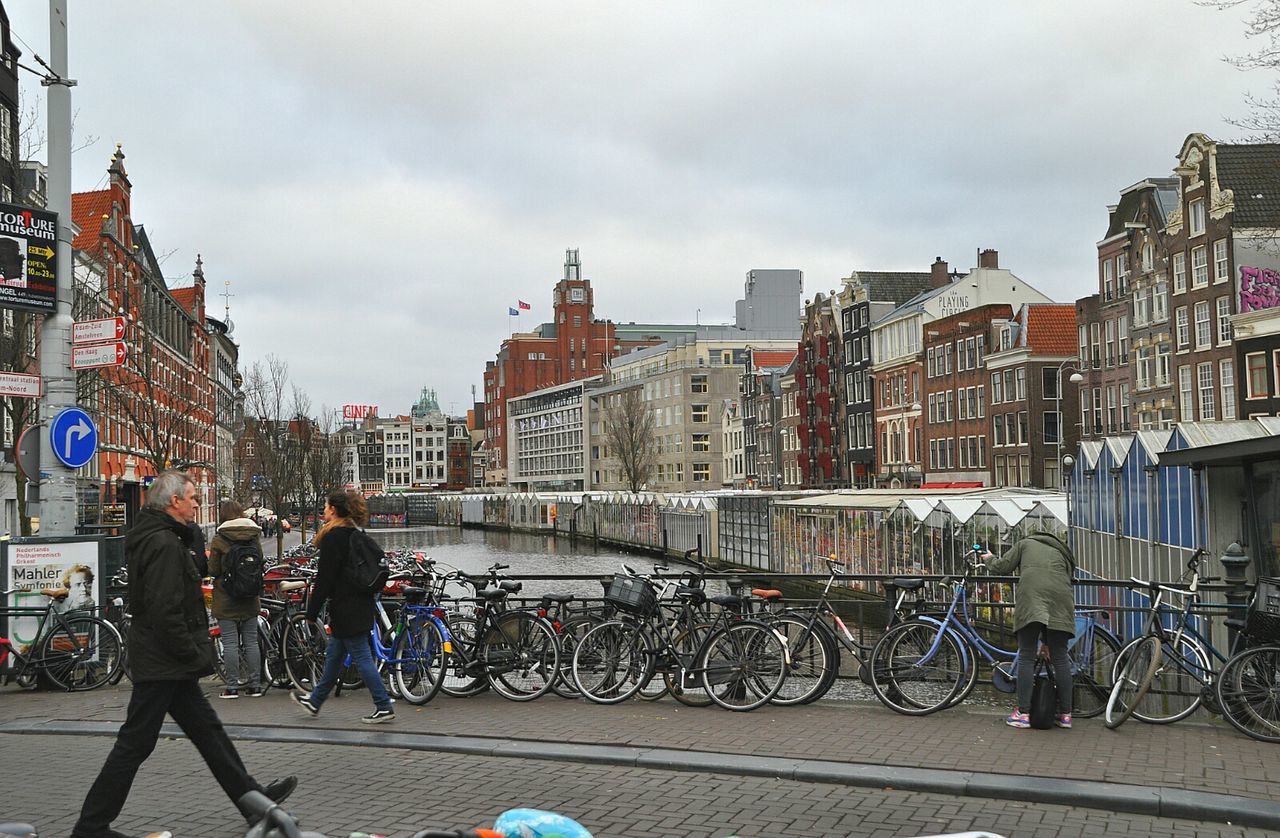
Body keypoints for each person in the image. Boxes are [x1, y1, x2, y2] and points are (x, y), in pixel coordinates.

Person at [70, 470, 297, 838]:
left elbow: (194, 571)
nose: (196, 502)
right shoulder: (161, 544)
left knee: (207, 732)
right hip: (164, 661)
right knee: (135, 744)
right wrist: (192, 655)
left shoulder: (164, 537)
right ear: (174, 501)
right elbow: (165, 609)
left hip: (165, 660)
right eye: (191, 497)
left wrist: (190, 536)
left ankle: (253, 800)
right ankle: (91, 826)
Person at [291, 489, 395, 724]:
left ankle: (383, 704)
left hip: (346, 607)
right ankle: (315, 701)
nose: (324, 510)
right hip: (359, 603)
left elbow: (325, 578)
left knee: (362, 656)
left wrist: (312, 610)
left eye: (326, 506)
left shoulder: (333, 538)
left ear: (334, 510)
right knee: (334, 656)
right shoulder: (355, 533)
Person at [985, 531, 1077, 730]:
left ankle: (1023, 714)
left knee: (1026, 655)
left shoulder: (1026, 543)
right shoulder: (1062, 552)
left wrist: (989, 558)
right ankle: (1066, 716)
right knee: (1060, 657)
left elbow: (1002, 567)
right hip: (1061, 601)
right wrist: (1046, 642)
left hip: (1031, 599)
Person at [208, 499, 265, 699]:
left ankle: (232, 687)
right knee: (251, 642)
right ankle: (255, 685)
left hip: (226, 598)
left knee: (230, 643)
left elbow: (213, 570)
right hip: (250, 597)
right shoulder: (253, 536)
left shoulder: (219, 539)